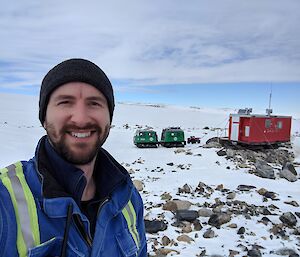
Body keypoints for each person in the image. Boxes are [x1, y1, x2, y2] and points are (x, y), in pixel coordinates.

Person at [0, 58, 147, 257]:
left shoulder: (128, 198)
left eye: (94, 103)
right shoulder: (5, 199)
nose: (80, 118)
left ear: (109, 117)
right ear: (44, 117)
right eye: (65, 102)